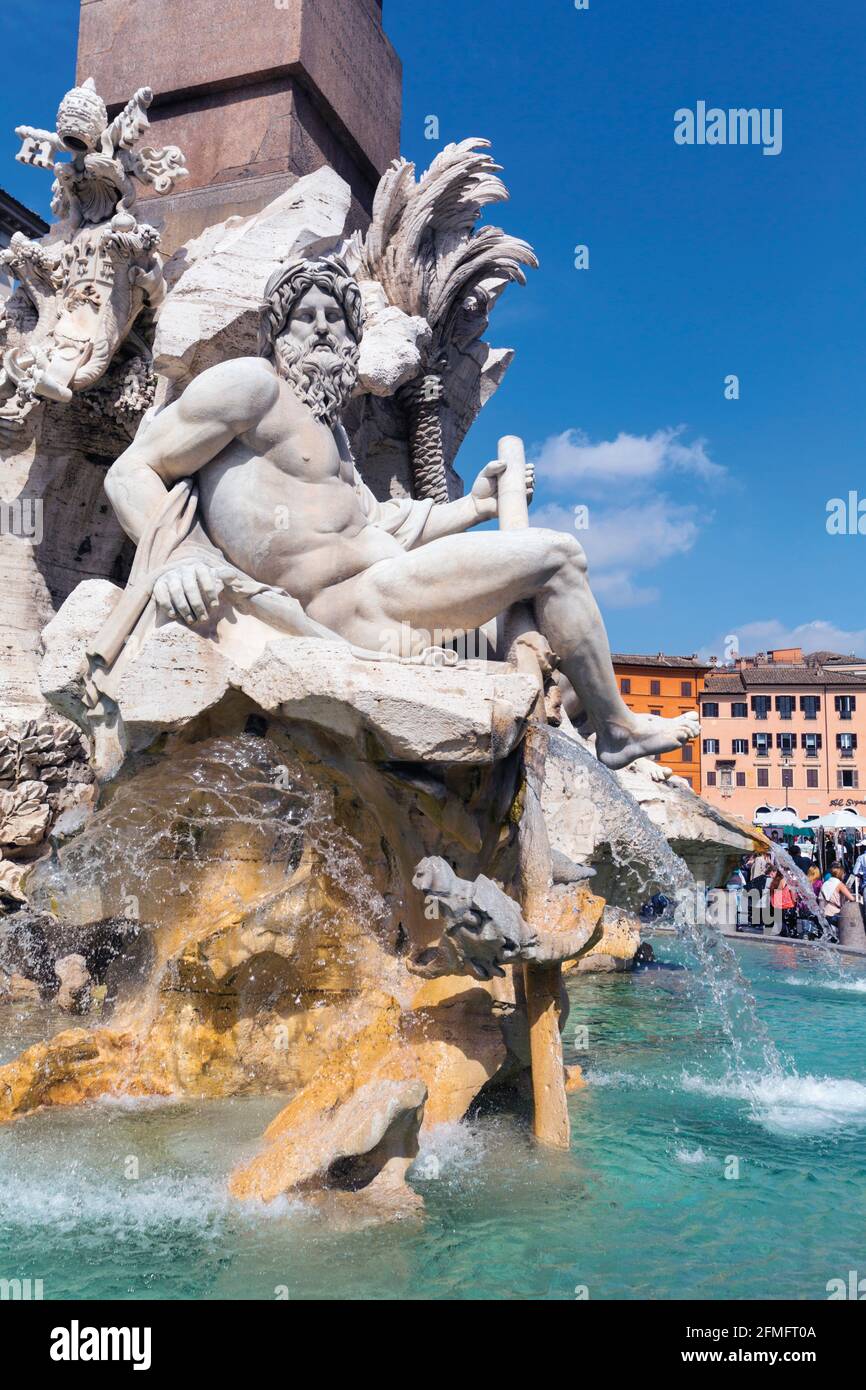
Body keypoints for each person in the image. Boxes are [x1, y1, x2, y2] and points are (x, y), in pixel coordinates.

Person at [100, 255, 700, 772]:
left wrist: (475, 507)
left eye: (335, 318)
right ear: (277, 332)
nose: (322, 330)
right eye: (305, 317)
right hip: (344, 605)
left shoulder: (331, 430)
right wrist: (177, 559)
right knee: (559, 556)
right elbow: (131, 471)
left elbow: (380, 526)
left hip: (387, 593)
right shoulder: (251, 386)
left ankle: (578, 744)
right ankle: (618, 731)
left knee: (562, 664)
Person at [819, 866, 855, 942]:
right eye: (843, 873)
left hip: (825, 913)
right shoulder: (839, 884)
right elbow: (852, 898)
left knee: (830, 939)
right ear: (840, 874)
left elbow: (820, 899)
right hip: (835, 913)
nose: (844, 875)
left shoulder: (825, 883)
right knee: (840, 939)